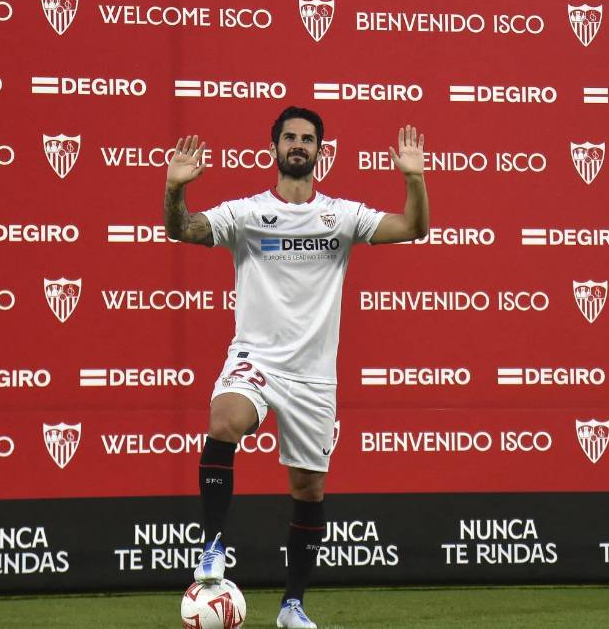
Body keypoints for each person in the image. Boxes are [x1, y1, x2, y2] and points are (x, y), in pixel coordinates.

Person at [163, 106, 428, 629]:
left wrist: (413, 179)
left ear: (320, 152)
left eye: (308, 139)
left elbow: (414, 227)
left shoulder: (342, 216)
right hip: (256, 358)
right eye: (290, 138)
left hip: (313, 376)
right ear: (274, 149)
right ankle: (213, 544)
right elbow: (183, 230)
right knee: (224, 422)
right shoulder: (245, 213)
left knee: (308, 490)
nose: (299, 145)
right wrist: (175, 190)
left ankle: (292, 607)